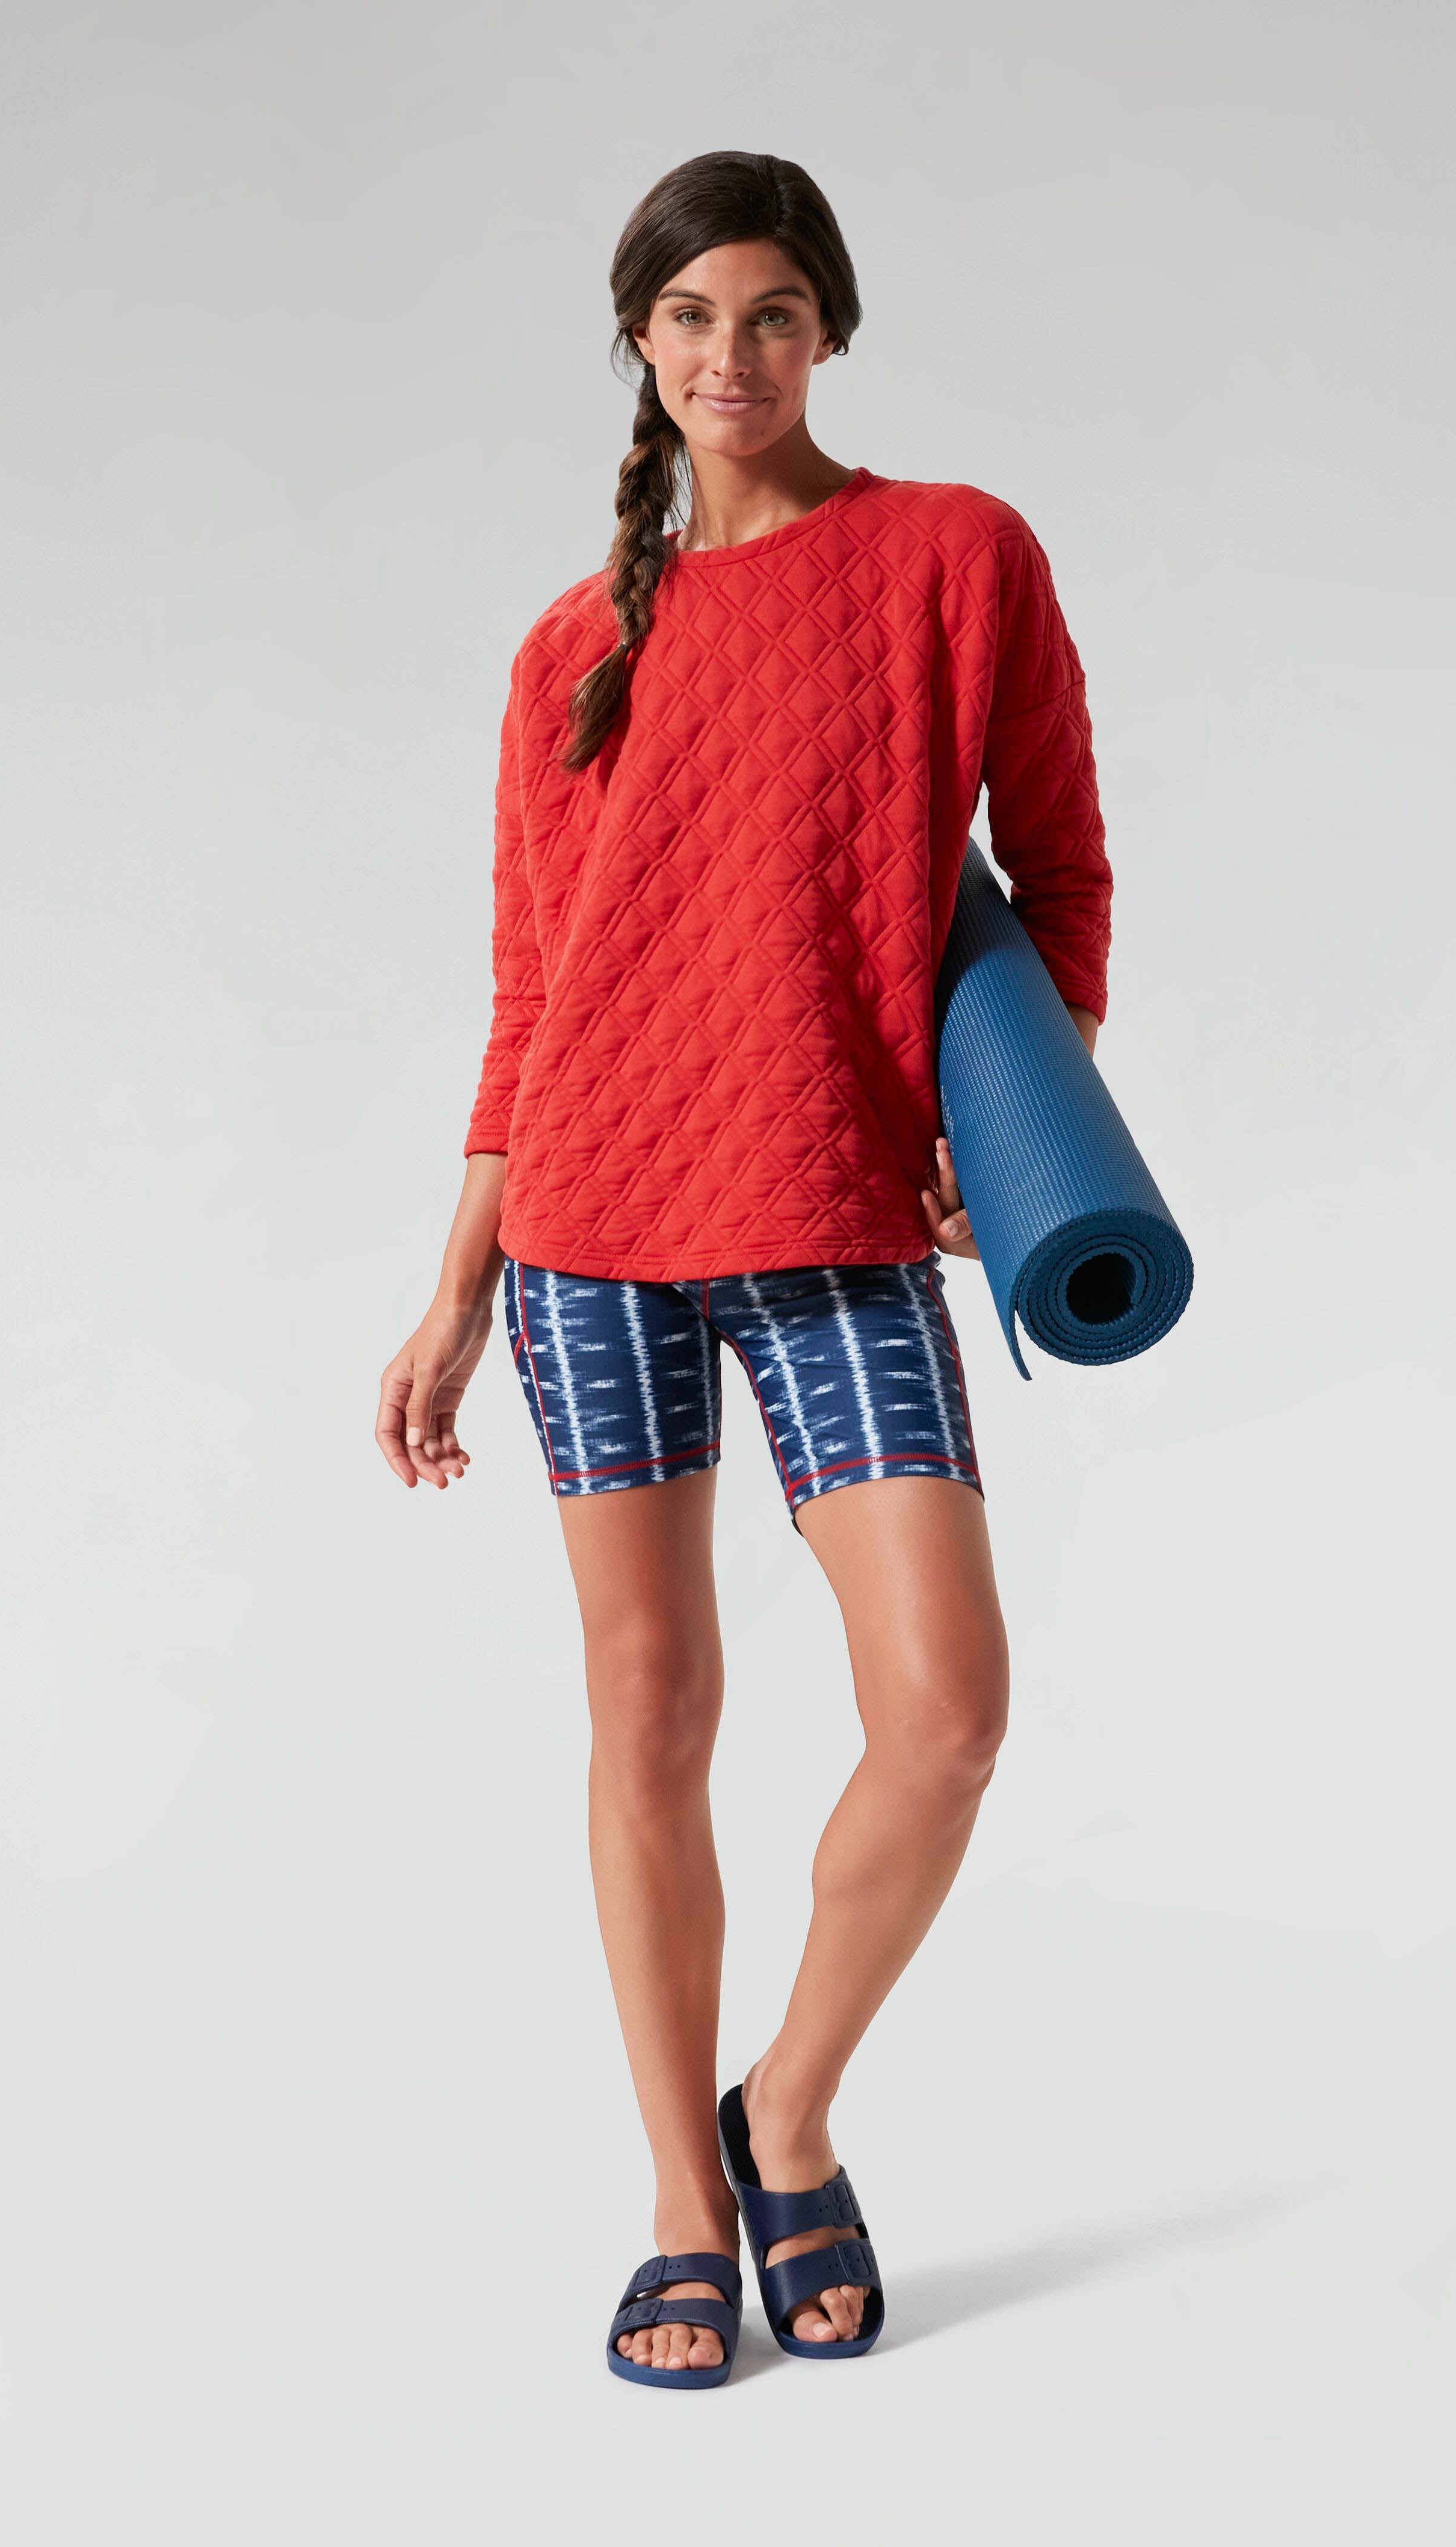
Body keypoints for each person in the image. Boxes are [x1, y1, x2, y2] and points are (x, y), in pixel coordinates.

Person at [375, 150, 1111, 2384]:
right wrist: (456, 1290)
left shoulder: (954, 557)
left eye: (772, 313)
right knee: (651, 1713)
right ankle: (685, 2205)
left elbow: (1060, 866)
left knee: (947, 1713)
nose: (731, 355)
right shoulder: (570, 650)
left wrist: (1023, 1123)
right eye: (690, 317)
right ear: (641, 342)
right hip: (593, 1234)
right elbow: (533, 994)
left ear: (831, 330)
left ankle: (784, 2110)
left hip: (838, 1220)